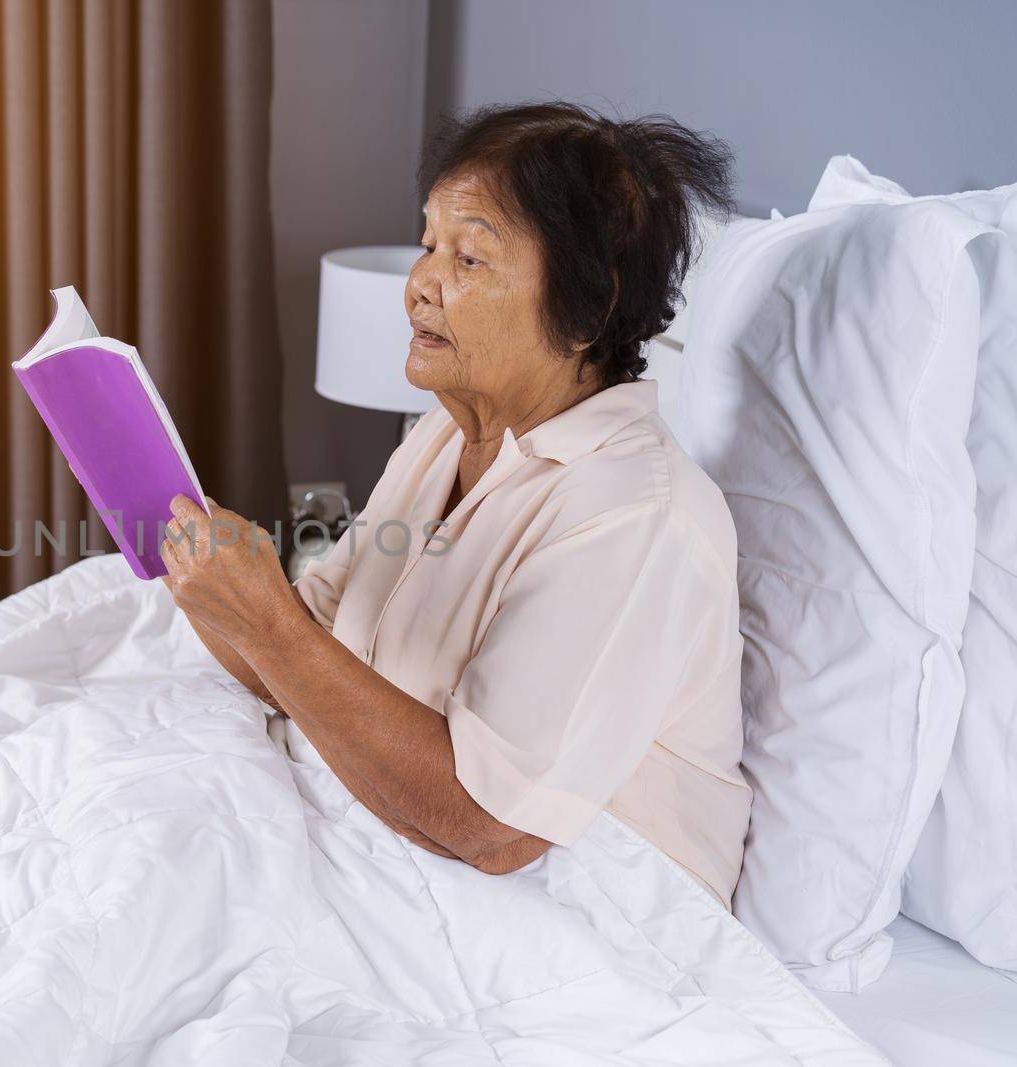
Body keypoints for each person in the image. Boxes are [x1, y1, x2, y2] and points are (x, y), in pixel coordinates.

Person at [159, 102, 750, 907]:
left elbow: (488, 825)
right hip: (401, 845)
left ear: (586, 307)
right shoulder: (445, 434)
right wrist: (197, 566)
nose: (419, 286)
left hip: (585, 913)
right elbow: (305, 653)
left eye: (469, 259)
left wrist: (268, 623)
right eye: (429, 243)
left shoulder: (636, 514)